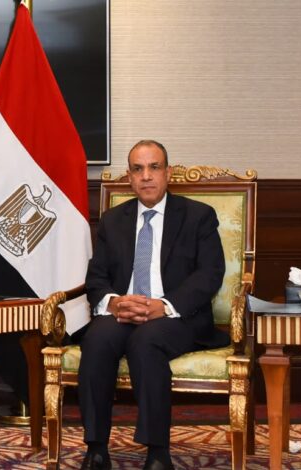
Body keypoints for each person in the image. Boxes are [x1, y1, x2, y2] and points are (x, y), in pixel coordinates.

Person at [78, 140, 229, 470]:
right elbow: (96, 277)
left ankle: (157, 452)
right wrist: (115, 303)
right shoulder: (113, 220)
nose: (146, 176)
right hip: (125, 312)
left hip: (177, 317)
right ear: (129, 177)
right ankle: (96, 449)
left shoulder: (198, 216)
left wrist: (165, 305)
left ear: (168, 173)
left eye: (154, 167)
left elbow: (210, 274)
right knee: (97, 339)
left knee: (146, 341)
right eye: (138, 169)